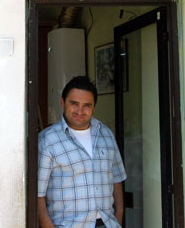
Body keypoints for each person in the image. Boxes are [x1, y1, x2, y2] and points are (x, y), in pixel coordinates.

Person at [38, 76, 126, 228]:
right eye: (74, 104)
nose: (80, 111)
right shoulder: (47, 140)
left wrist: (119, 215)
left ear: (93, 107)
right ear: (62, 102)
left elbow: (116, 178)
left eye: (87, 105)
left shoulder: (106, 134)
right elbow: (37, 195)